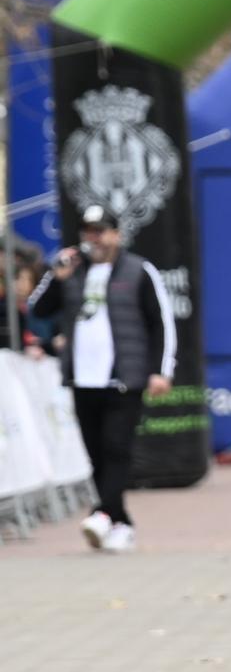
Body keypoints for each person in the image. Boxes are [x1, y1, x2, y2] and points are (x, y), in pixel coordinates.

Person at [27, 205, 176, 553]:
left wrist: (161, 371)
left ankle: (101, 514)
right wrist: (55, 277)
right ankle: (120, 520)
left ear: (117, 234)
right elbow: (38, 309)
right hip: (83, 378)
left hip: (125, 376)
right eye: (88, 231)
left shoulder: (139, 270)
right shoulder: (72, 272)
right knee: (95, 454)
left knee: (116, 447)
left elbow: (161, 323)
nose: (95, 238)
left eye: (101, 230)